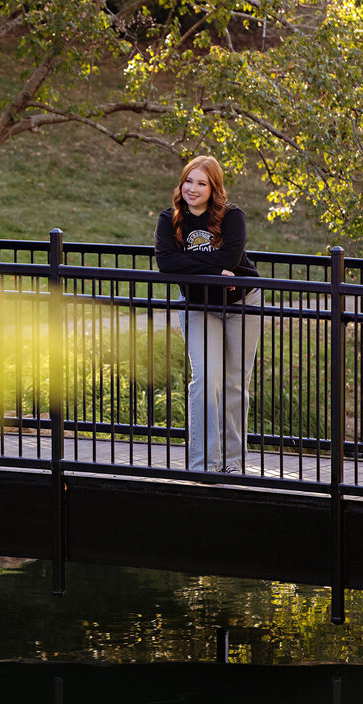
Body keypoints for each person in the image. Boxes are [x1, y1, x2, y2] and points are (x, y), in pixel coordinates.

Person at [154, 155, 261, 474]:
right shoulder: (169, 219)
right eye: (189, 181)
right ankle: (204, 465)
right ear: (181, 183)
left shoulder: (232, 217)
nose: (193, 189)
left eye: (202, 183)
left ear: (214, 188)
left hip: (242, 303)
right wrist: (215, 268)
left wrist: (195, 263)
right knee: (205, 379)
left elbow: (231, 255)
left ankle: (233, 464)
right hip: (200, 306)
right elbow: (166, 264)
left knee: (234, 383)